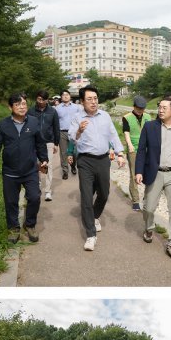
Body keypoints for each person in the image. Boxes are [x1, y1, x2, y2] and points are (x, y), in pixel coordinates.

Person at [135, 95, 171, 262]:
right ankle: (149, 227)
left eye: (164, 108)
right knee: (148, 208)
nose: (160, 110)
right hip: (155, 173)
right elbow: (141, 151)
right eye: (159, 107)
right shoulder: (149, 127)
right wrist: (139, 171)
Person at [0, 92, 48, 245]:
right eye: (18, 104)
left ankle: (30, 225)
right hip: (10, 171)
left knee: (34, 197)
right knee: (11, 201)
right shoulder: (3, 124)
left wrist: (44, 159)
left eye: (24, 104)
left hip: (30, 170)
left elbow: (40, 143)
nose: (22, 107)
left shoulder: (33, 122)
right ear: (10, 107)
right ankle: (13, 228)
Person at [68, 85, 126, 251]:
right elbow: (72, 137)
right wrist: (79, 130)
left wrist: (120, 153)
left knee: (104, 193)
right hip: (85, 161)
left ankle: (94, 216)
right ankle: (91, 235)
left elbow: (113, 135)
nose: (93, 102)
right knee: (86, 197)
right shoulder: (77, 117)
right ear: (82, 102)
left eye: (95, 98)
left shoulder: (105, 116)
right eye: (89, 99)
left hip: (103, 160)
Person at [122, 95, 151, 211]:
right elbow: (126, 132)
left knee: (149, 173)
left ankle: (147, 198)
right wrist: (129, 145)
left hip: (147, 149)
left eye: (142, 109)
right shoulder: (127, 117)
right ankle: (135, 200)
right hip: (133, 148)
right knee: (134, 174)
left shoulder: (148, 116)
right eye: (138, 108)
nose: (140, 111)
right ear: (133, 106)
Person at [33, 90, 62, 202]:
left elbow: (56, 127)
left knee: (48, 166)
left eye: (43, 100)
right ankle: (37, 187)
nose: (41, 102)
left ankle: (48, 191)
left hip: (48, 142)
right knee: (36, 165)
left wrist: (56, 143)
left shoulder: (52, 111)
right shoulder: (31, 111)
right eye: (39, 99)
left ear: (47, 100)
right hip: (34, 143)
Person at [55, 91, 80, 178]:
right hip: (62, 132)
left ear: (70, 96)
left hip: (74, 132)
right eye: (63, 95)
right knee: (63, 152)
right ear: (61, 97)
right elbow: (55, 122)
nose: (65, 96)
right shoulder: (57, 108)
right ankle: (65, 171)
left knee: (74, 152)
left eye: (67, 95)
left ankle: (73, 166)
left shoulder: (77, 107)